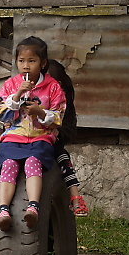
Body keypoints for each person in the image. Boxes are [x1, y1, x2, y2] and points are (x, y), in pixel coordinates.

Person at [0, 36, 66, 231]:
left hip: (40, 138)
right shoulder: (10, 85)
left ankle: (33, 207)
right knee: (8, 164)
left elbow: (59, 117)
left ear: (43, 63)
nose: (26, 66)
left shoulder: (53, 87)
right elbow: (0, 114)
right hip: (13, 137)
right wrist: (17, 95)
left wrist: (40, 112)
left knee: (33, 162)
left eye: (31, 61)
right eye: (21, 61)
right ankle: (3, 210)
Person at [46, 59, 89, 217]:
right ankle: (4, 207)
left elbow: (67, 130)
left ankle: (75, 197)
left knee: (63, 158)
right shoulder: (29, 95)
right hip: (27, 143)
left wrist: (56, 132)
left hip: (52, 145)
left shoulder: (62, 101)